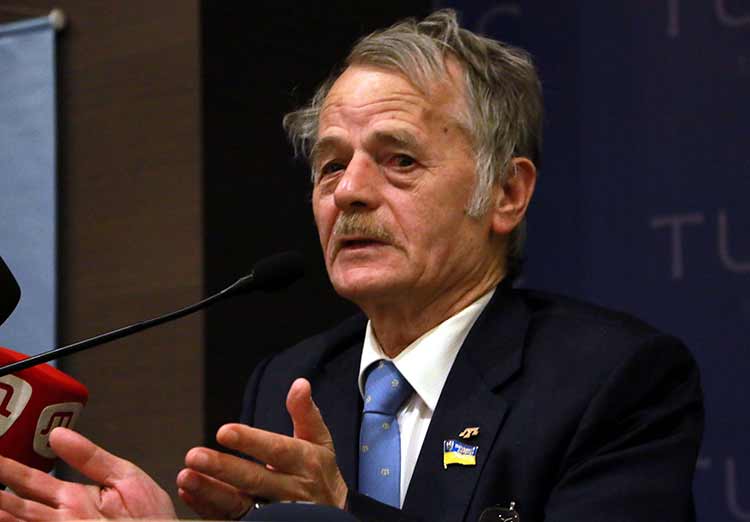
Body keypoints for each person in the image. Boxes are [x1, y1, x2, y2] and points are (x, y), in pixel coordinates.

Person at [0, 10, 703, 522]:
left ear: (506, 194)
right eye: (331, 165)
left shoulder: (612, 381)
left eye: (400, 160)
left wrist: (340, 513)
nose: (349, 192)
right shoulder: (291, 381)